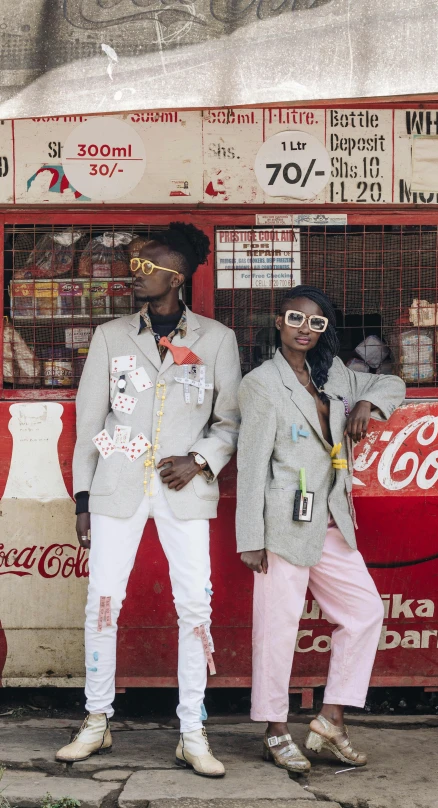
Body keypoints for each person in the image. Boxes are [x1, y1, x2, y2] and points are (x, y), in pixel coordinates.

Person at [56, 223, 242, 777]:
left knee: (194, 608)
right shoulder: (111, 335)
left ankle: (192, 729)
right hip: (117, 486)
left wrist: (201, 459)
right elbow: (89, 421)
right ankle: (96, 720)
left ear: (176, 276)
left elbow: (229, 420)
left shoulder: (216, 338)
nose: (133, 273)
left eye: (146, 265)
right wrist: (82, 499)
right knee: (103, 603)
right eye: (133, 264)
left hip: (185, 492)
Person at [236, 285, 405, 774]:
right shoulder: (261, 383)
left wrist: (366, 408)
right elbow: (251, 467)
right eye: (295, 318)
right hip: (282, 525)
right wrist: (250, 538)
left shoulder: (333, 376)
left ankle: (330, 719)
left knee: (365, 612)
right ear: (278, 321)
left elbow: (391, 383)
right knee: (277, 629)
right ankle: (274, 729)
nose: (304, 329)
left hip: (331, 520)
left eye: (316, 323)